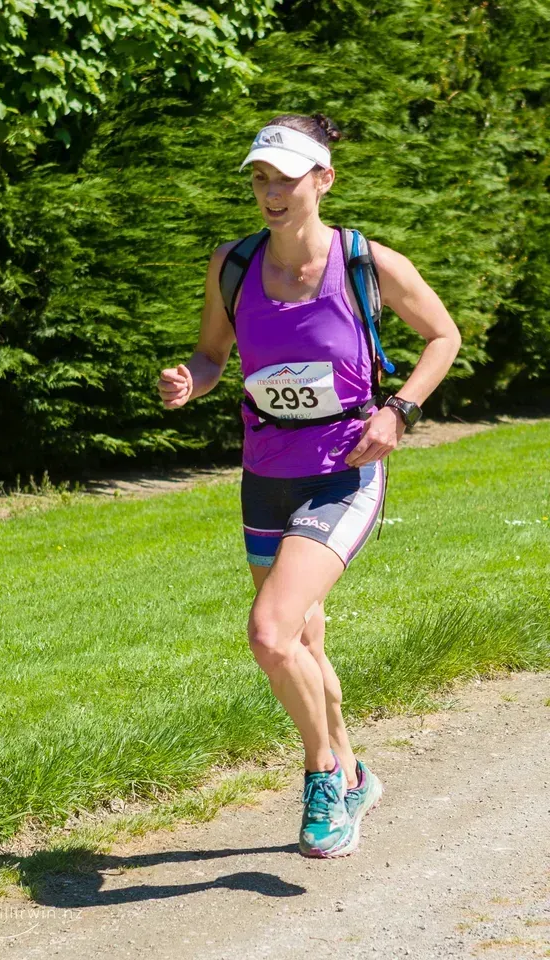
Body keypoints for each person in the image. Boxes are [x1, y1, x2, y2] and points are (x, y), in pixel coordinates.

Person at [156, 113, 461, 858]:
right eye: (260, 178)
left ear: (322, 179)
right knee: (305, 638)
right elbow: (211, 353)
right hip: (264, 476)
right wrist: (187, 381)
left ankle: (323, 775)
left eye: (285, 178)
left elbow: (443, 336)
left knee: (270, 632)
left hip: (344, 473)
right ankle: (356, 774)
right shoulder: (233, 264)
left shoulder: (366, 263)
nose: (270, 192)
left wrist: (400, 410)